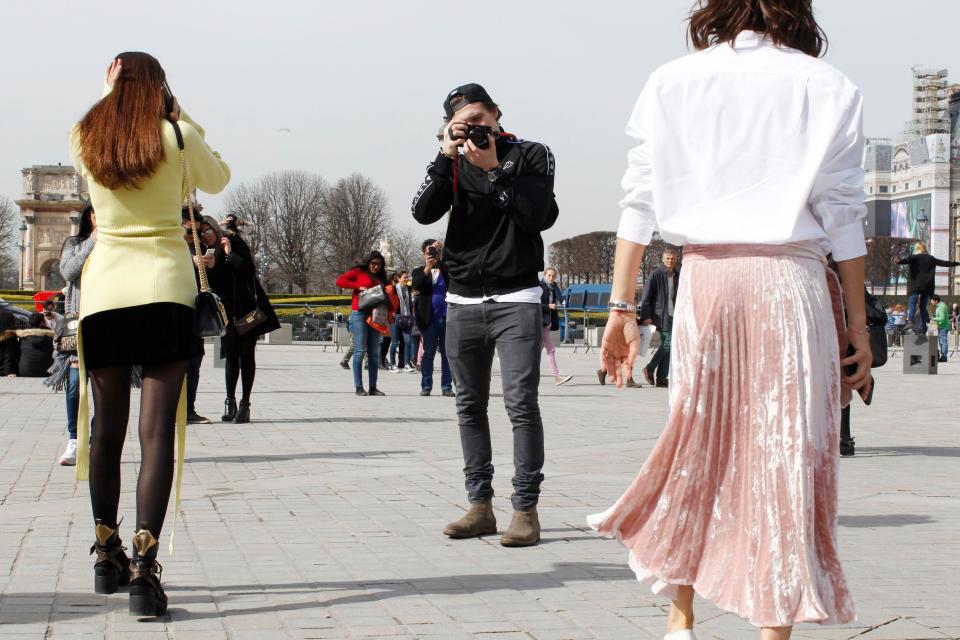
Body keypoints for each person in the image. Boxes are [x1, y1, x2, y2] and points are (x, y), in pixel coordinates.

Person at [587, 4, 872, 637]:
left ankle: (679, 618)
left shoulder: (670, 81)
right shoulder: (828, 86)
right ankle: (773, 627)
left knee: (698, 442)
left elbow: (639, 201)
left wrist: (620, 308)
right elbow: (844, 216)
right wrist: (858, 326)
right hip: (790, 281)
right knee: (787, 454)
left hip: (706, 281)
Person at [70, 53, 230, 616]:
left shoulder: (84, 133)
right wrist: (184, 118)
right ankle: (144, 566)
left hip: (105, 287)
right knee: (157, 430)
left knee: (104, 429)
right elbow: (218, 177)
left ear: (111, 81)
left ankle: (105, 552)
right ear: (161, 86)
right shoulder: (176, 133)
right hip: (164, 281)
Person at [412, 83, 559, 547]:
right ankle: (479, 505)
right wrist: (444, 155)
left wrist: (494, 169)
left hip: (516, 293)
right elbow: (422, 212)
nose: (475, 129)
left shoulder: (531, 154)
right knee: (469, 405)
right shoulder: (452, 164)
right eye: (463, 124)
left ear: (497, 113)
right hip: (463, 299)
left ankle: (525, 510)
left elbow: (540, 215)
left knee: (520, 402)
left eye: (480, 119)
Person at [199, 216, 279, 422]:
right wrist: (205, 266)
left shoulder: (233, 242)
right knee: (231, 355)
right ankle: (230, 401)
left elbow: (248, 272)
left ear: (217, 230)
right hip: (223, 311)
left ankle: (245, 403)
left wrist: (229, 255)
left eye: (209, 231)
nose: (206, 236)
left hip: (245, 309)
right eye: (202, 233)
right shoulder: (202, 253)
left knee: (246, 354)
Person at [45, 202, 97, 465]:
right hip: (78, 323)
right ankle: (75, 439)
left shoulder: (117, 243)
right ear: (89, 215)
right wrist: (93, 242)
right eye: (97, 211)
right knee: (76, 385)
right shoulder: (74, 243)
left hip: (108, 322)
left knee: (103, 388)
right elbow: (68, 271)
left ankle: (97, 439)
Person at [335, 251, 393, 396]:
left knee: (374, 353)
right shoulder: (359, 272)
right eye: (373, 263)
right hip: (359, 314)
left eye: (379, 264)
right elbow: (339, 281)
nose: (375, 267)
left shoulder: (381, 277)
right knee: (360, 350)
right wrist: (357, 286)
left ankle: (373, 387)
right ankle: (359, 387)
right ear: (368, 262)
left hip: (375, 316)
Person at [411, 240, 454, 397]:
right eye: (429, 252)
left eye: (435, 252)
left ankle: (446, 386)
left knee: (447, 354)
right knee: (428, 353)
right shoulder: (418, 271)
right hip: (428, 318)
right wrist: (428, 268)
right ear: (424, 254)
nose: (433, 255)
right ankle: (426, 385)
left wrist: (442, 252)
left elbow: (452, 276)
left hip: (447, 317)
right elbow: (416, 285)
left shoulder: (445, 268)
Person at [896, 242, 960, 336]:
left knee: (912, 302)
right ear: (925, 249)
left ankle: (910, 321)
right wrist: (957, 263)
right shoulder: (930, 258)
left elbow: (904, 260)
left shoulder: (914, 257)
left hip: (915, 286)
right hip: (927, 286)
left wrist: (898, 261)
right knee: (922, 306)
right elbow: (944, 263)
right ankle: (925, 322)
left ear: (917, 249)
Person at [639, 248, 680, 388]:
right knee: (669, 343)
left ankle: (662, 378)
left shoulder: (677, 275)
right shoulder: (655, 275)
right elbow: (646, 298)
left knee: (669, 346)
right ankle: (649, 368)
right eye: (668, 258)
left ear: (676, 259)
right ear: (663, 259)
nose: (670, 261)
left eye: (672, 258)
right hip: (659, 316)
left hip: (674, 315)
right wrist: (646, 316)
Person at [540, 268, 572, 385]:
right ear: (544, 275)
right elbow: (535, 305)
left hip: (547, 323)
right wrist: (549, 305)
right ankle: (556, 376)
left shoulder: (554, 288)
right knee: (549, 350)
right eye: (549, 275)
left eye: (553, 276)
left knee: (542, 351)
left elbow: (560, 301)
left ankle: (556, 375)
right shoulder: (540, 287)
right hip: (540, 322)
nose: (551, 278)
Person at [390, 270, 415, 371]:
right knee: (395, 342)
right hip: (396, 316)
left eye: (407, 277)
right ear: (398, 278)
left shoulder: (408, 288)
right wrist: (391, 311)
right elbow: (389, 300)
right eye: (404, 277)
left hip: (406, 317)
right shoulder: (394, 289)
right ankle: (392, 364)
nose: (406, 279)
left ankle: (406, 364)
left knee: (408, 342)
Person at [17, 313, 55, 377]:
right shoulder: (50, 337)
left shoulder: (24, 337)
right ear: (41, 323)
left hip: (25, 372)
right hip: (46, 371)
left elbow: (19, 353)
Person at [932, 294, 950, 362]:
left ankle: (944, 357)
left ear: (936, 300)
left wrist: (933, 318)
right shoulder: (940, 305)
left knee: (943, 341)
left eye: (932, 301)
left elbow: (942, 318)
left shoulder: (941, 307)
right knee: (941, 341)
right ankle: (943, 356)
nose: (931, 302)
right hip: (942, 326)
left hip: (943, 327)